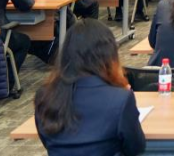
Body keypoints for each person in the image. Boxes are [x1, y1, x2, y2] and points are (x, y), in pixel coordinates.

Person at [34, 19, 145, 156]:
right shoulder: (121, 98)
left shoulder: (44, 96)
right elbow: (136, 147)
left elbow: (47, 141)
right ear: (109, 55)